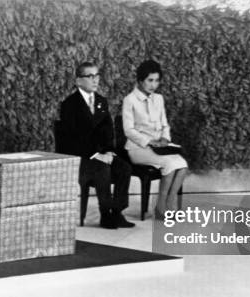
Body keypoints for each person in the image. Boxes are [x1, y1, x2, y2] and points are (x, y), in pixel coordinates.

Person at [60, 62, 134, 229]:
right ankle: (105, 214)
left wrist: (108, 151)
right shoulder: (69, 105)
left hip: (101, 154)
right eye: (90, 76)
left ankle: (117, 212)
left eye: (97, 76)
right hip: (81, 157)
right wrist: (95, 154)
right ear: (79, 81)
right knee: (102, 168)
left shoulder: (101, 101)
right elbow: (72, 139)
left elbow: (108, 130)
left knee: (124, 168)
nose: (95, 80)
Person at [122, 60, 188, 218]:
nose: (154, 85)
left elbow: (165, 125)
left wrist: (165, 138)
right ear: (140, 80)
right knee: (171, 164)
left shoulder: (159, 99)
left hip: (159, 146)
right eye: (150, 80)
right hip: (138, 148)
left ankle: (168, 203)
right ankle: (161, 207)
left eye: (157, 80)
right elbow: (128, 130)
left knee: (183, 164)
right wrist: (149, 141)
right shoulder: (129, 100)